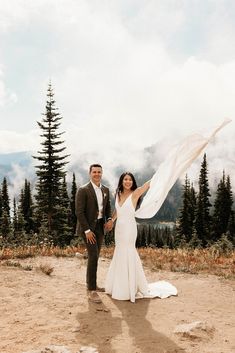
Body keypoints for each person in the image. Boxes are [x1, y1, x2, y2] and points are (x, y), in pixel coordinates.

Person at [105, 172, 177, 303]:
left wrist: (160, 173)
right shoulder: (118, 194)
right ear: (121, 181)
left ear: (132, 182)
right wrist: (111, 220)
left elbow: (147, 185)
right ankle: (118, 286)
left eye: (130, 180)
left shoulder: (136, 193)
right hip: (119, 229)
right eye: (125, 179)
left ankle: (129, 288)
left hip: (129, 229)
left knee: (128, 251)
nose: (128, 182)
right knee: (120, 252)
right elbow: (117, 211)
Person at [76, 164, 113, 303]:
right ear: (90, 173)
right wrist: (87, 231)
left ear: (102, 173)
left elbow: (108, 207)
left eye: (99, 172)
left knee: (95, 256)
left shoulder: (105, 189)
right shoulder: (83, 190)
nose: (97, 174)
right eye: (94, 172)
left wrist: (109, 219)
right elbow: (79, 212)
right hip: (88, 229)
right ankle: (91, 290)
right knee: (93, 255)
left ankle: (92, 284)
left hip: (99, 227)